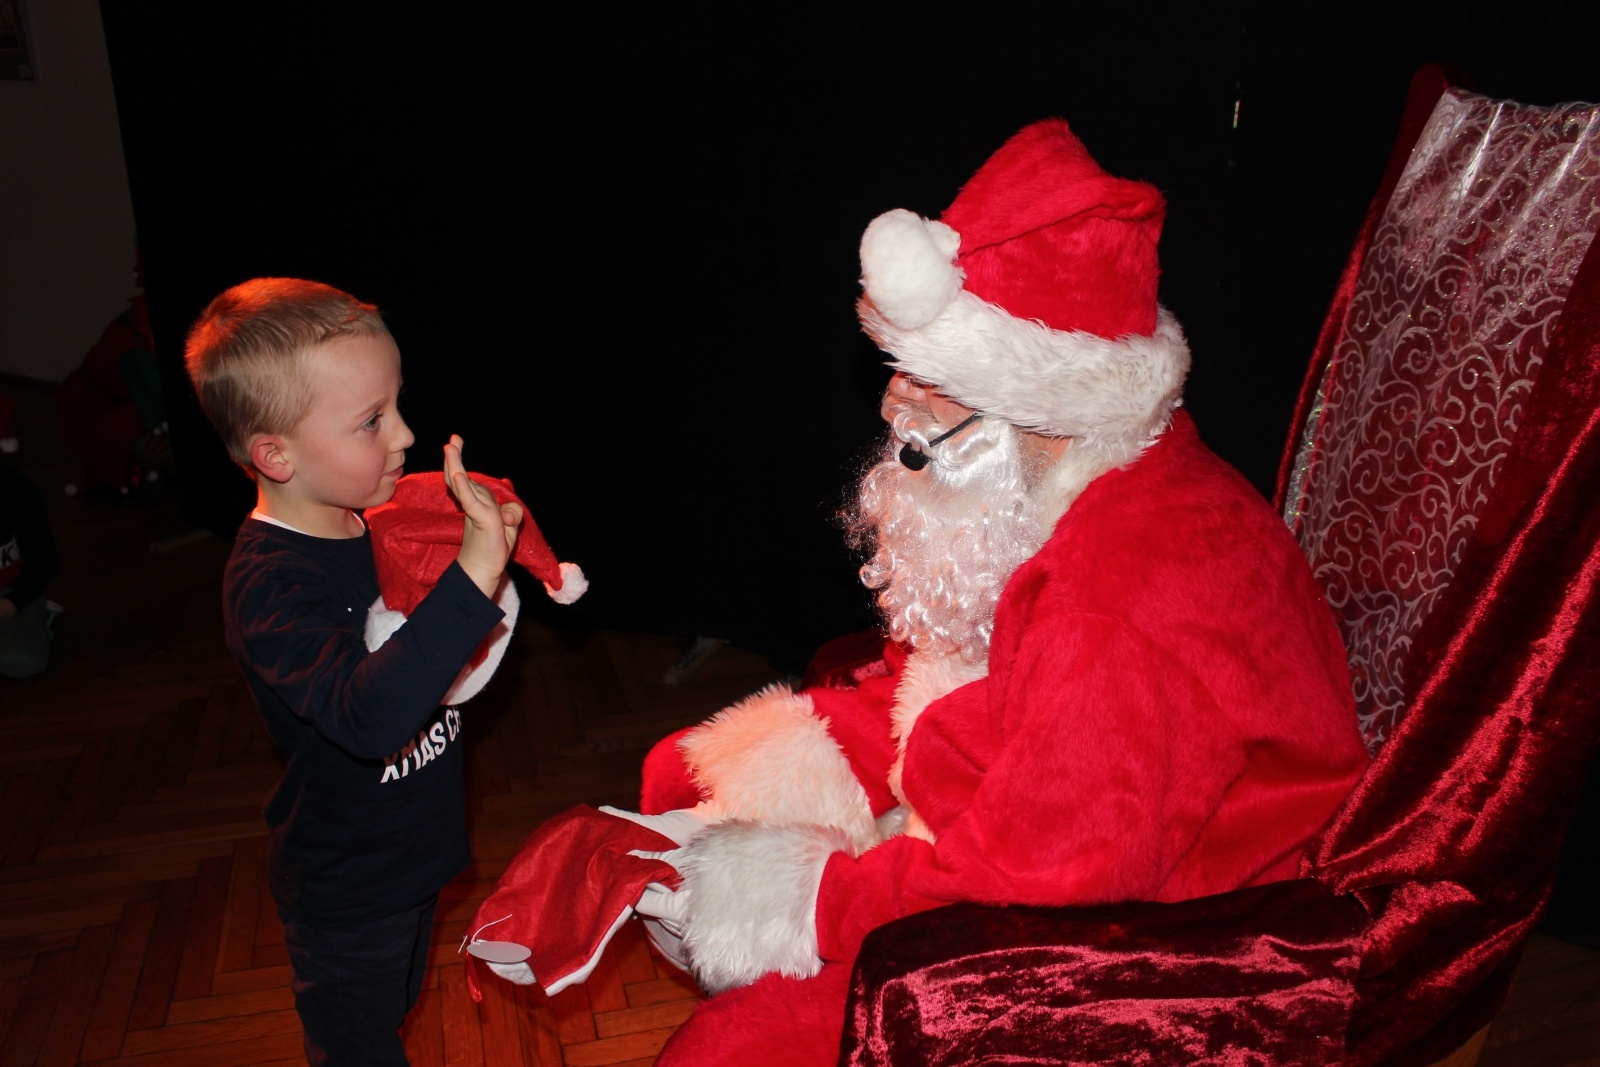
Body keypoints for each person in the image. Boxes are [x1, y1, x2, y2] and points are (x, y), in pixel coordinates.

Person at [477, 118, 1373, 1064]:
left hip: (1168, 932)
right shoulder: (1075, 487)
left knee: (730, 1050)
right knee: (683, 780)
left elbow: (1033, 884)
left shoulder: (1123, 605)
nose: (890, 407)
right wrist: (759, 798)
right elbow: (967, 682)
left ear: (1041, 411)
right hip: (1046, 803)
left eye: (929, 386)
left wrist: (793, 896)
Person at [184, 277, 523, 1066]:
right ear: (276, 453)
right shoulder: (269, 583)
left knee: (396, 1010)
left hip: (413, 856)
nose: (404, 435)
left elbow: (443, 661)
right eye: (372, 420)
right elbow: (366, 716)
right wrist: (470, 579)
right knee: (359, 1046)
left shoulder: (373, 518)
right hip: (345, 891)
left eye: (397, 403)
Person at [0, 451, 59, 679]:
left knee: (22, 662)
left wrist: (13, 602)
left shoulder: (17, 490)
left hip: (10, 592)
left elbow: (44, 560)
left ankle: (40, 620)